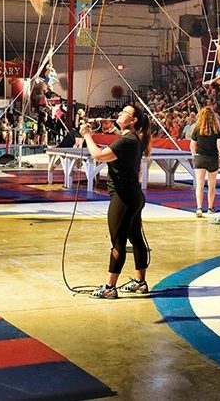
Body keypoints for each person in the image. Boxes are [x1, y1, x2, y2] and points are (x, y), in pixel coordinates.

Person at [80, 103, 152, 299]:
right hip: (134, 195)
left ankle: (110, 287)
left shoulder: (127, 140)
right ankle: (140, 282)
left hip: (123, 197)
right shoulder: (133, 139)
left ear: (134, 120)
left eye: (125, 112)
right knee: (136, 238)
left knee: (117, 241)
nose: (119, 114)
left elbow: (98, 155)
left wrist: (87, 135)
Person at [190, 106, 220, 217]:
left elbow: (192, 145)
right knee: (212, 185)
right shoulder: (217, 130)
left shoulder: (197, 129)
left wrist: (194, 156)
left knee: (200, 184)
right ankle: (210, 208)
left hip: (200, 158)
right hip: (212, 159)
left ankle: (199, 208)